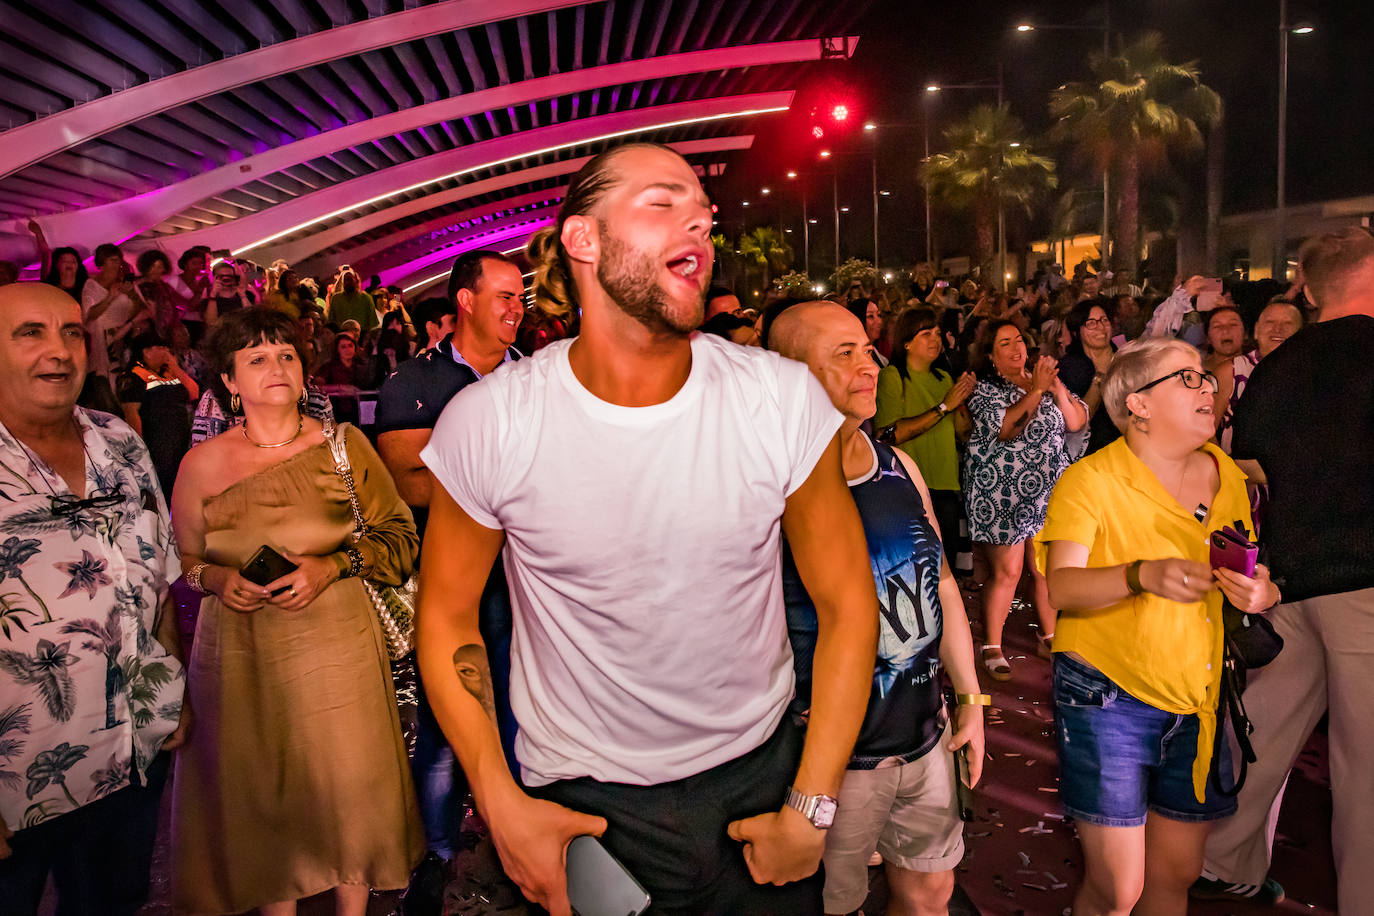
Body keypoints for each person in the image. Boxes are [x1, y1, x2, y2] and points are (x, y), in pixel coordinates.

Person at [416, 142, 878, 916]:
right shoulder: (493, 422)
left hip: (759, 787)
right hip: (584, 809)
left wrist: (813, 806)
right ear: (583, 240)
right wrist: (500, 805)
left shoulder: (779, 399)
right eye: (663, 203)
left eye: (702, 211)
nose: (699, 221)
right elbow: (446, 614)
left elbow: (848, 603)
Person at [169, 308, 423, 915]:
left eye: (285, 354)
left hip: (340, 646)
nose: (276, 367)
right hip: (242, 653)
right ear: (229, 381)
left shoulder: (341, 445)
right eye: (256, 358)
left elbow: (400, 536)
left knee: (350, 785)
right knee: (266, 790)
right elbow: (186, 562)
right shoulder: (200, 465)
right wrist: (220, 578)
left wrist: (331, 566)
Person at [1037, 337, 1279, 916]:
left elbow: (1244, 567)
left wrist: (1260, 591)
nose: (1208, 387)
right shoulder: (1090, 481)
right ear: (1137, 404)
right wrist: (1140, 574)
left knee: (1175, 876)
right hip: (1107, 695)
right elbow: (1061, 587)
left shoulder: (1227, 475)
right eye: (1187, 379)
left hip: (1198, 695)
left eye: (1207, 379)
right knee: (1118, 889)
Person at [769, 302, 986, 916]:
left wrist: (969, 698)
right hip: (834, 762)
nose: (868, 366)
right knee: (834, 904)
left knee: (930, 891)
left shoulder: (899, 466)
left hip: (923, 734)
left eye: (867, 349)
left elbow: (940, 582)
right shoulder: (771, 489)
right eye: (844, 353)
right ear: (790, 374)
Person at [1195, 228, 1374, 913]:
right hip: (1360, 582)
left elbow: (1255, 462)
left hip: (1284, 580)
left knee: (1262, 732)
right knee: (1364, 771)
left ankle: (1220, 859)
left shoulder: (1279, 365)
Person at [0, 283, 188, 915]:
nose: (58, 351)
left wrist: (170, 689)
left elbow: (159, 576)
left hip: (129, 752)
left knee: (111, 903)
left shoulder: (119, 441)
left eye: (72, 333)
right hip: (15, 776)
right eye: (30, 333)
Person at [374, 250, 526, 893]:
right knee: (444, 717)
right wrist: (518, 482)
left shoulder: (539, 378)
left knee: (527, 711)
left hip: (530, 581)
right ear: (464, 301)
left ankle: (517, 838)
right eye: (504, 296)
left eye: (521, 298)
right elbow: (406, 480)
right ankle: (435, 857)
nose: (517, 309)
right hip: (453, 584)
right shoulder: (415, 381)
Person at [963, 320, 1087, 679]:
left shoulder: (1042, 381)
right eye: (1005, 343)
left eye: (1019, 339)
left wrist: (1057, 389)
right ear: (991, 355)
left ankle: (1048, 636)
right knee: (1009, 572)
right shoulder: (984, 390)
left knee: (1045, 566)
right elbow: (1005, 428)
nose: (1017, 347)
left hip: (1048, 489)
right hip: (1003, 491)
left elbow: (1077, 422)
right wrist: (1036, 390)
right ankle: (993, 645)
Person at [873, 307, 975, 576]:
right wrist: (944, 407)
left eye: (938, 333)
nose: (935, 339)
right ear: (906, 342)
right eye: (926, 333)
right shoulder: (892, 377)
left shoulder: (943, 377)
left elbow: (963, 434)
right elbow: (887, 434)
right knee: (916, 571)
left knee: (946, 571)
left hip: (945, 487)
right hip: (907, 486)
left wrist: (961, 402)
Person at [1211, 298, 1303, 455]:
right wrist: (1228, 470)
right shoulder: (1232, 371)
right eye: (1270, 322)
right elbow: (1204, 430)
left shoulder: (1312, 372)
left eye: (1287, 324)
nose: (1278, 329)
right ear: (1256, 330)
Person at [117, 331, 198, 496]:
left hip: (181, 442)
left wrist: (175, 368)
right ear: (147, 351)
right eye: (161, 347)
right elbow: (132, 415)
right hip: (157, 445)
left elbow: (194, 392)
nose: (167, 351)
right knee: (164, 490)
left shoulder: (169, 372)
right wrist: (140, 453)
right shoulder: (133, 376)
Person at [1057, 298, 1121, 455]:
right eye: (1091, 323)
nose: (1100, 327)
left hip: (1124, 447)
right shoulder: (1068, 367)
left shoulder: (1124, 358)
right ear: (1078, 331)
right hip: (1089, 452)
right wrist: (1101, 375)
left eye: (1104, 320)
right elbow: (1078, 421)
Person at [327, 268, 379, 332]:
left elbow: (373, 322)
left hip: (361, 336)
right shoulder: (336, 298)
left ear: (356, 281)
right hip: (342, 336)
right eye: (345, 280)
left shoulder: (366, 298)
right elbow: (331, 321)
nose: (347, 282)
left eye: (350, 279)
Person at [1201, 306, 1245, 375]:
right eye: (1217, 326)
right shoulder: (1195, 370)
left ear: (1245, 333)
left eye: (1233, 324)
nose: (1225, 330)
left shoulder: (1258, 368)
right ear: (1208, 337)